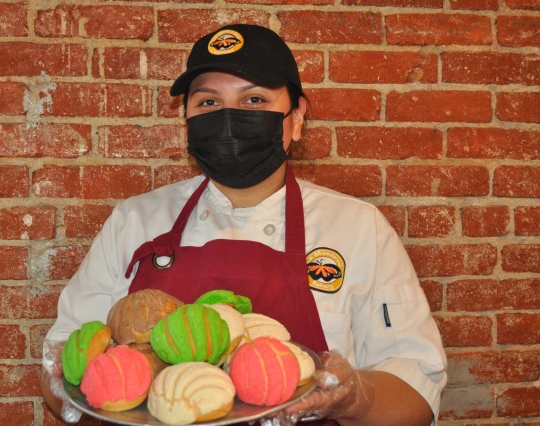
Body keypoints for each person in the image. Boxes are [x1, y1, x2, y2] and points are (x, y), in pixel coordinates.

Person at [40, 24, 447, 425]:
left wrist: (351, 395)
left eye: (254, 99)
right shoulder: (134, 221)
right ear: (187, 117)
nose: (230, 119)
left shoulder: (358, 229)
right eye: (208, 104)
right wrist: (70, 386)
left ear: (297, 116)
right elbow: (63, 369)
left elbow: (415, 392)